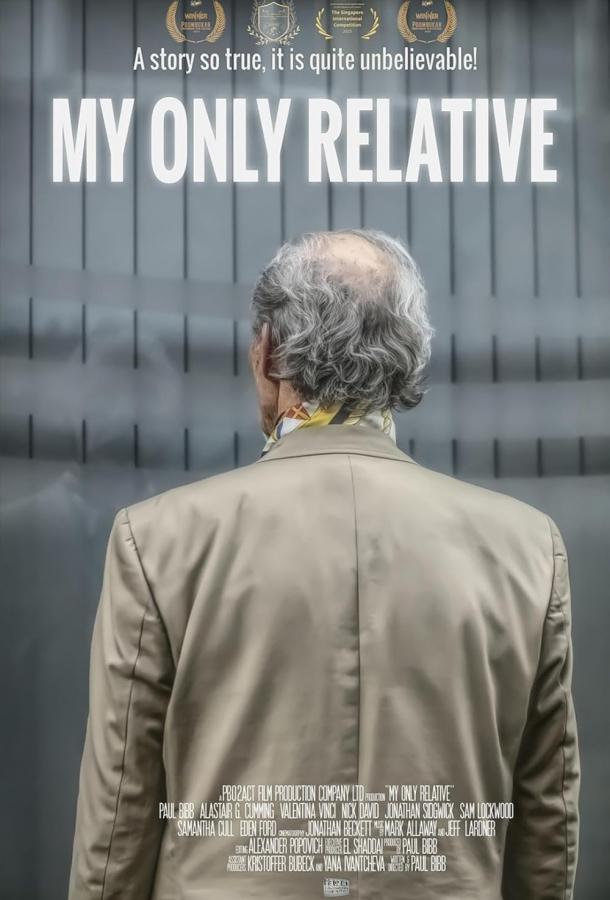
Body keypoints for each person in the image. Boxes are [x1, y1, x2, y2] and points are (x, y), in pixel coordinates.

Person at [68, 229, 579, 899]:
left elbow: (118, 817)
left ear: (269, 352)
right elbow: (545, 826)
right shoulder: (526, 548)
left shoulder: (157, 540)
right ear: (410, 358)